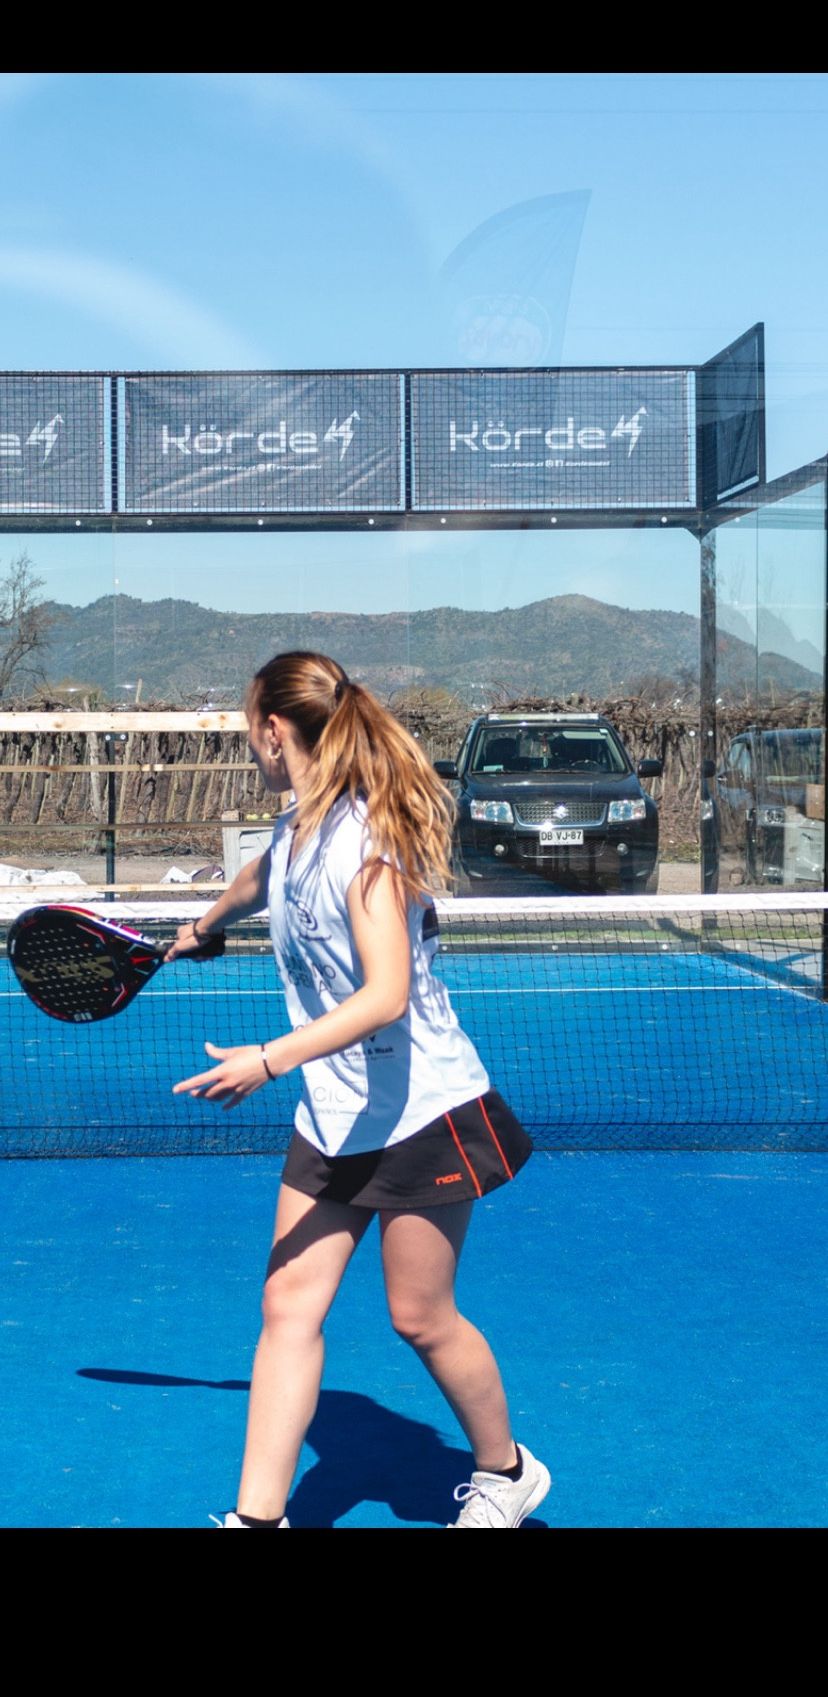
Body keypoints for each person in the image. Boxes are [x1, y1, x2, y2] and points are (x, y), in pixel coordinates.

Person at [168, 650, 549, 1530]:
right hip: (335, 1112)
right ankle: (257, 1520)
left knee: (420, 1316)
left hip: (422, 1111)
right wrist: (204, 924)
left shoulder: (366, 842)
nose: (250, 747)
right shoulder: (296, 827)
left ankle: (506, 1471)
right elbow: (264, 875)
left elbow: (386, 996)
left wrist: (268, 1059)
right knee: (287, 1305)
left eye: (248, 732)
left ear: (273, 731)